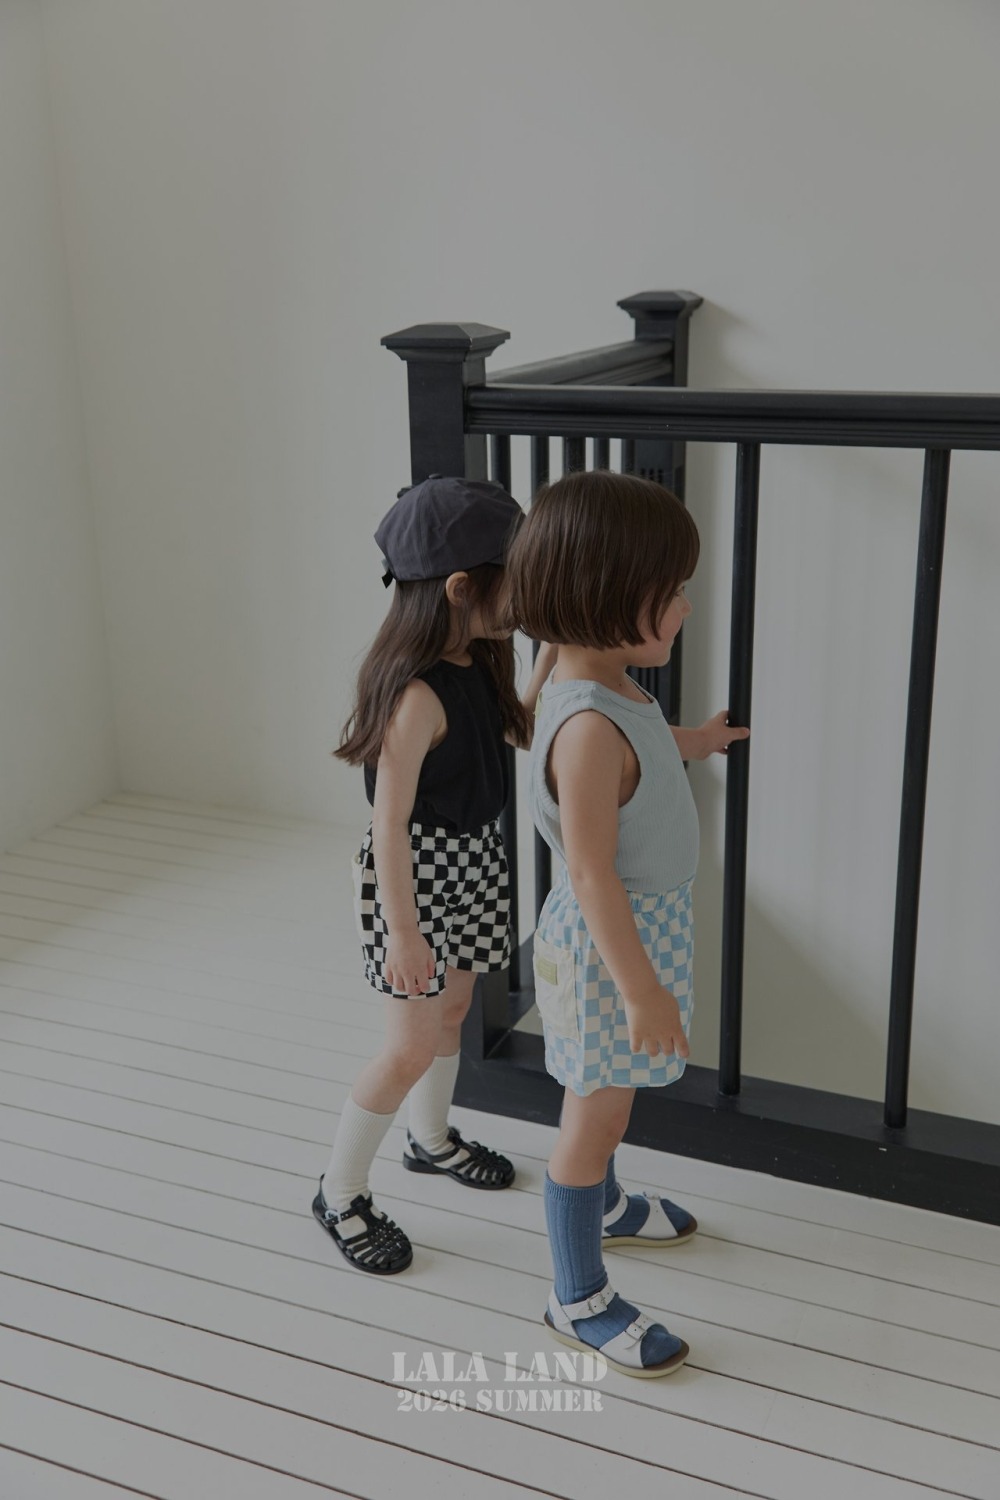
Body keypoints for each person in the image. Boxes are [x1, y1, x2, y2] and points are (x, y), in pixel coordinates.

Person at [508, 469, 748, 1376]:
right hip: (610, 950)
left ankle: (606, 1207)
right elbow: (590, 870)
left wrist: (696, 742)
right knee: (595, 1115)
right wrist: (641, 989)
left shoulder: (603, 685)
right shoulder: (585, 728)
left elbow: (642, 745)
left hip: (634, 936)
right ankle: (576, 1296)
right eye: (669, 591)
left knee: (609, 1101)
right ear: (603, 599)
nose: (685, 607)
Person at [313, 474, 555, 1275]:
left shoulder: (479, 658)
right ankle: (340, 1192)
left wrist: (551, 656)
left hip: (474, 858)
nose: (524, 596)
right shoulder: (413, 697)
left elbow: (517, 731)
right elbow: (388, 826)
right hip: (413, 875)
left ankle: (429, 1138)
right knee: (409, 1044)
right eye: (515, 579)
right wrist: (405, 934)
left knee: (452, 1010)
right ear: (460, 587)